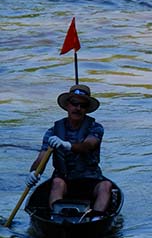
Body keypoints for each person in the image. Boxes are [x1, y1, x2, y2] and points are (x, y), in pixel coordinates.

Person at [25, 84, 112, 217]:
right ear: (67, 105)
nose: (78, 108)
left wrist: (67, 145)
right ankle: (57, 217)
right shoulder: (53, 131)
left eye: (82, 105)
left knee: (106, 185)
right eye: (74, 103)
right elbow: (41, 157)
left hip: (91, 180)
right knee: (57, 182)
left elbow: (88, 145)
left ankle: (96, 218)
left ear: (87, 109)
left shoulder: (96, 128)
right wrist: (33, 173)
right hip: (65, 180)